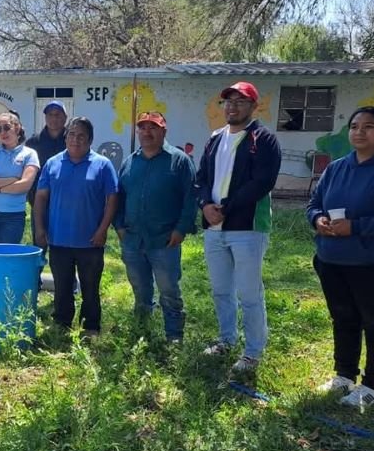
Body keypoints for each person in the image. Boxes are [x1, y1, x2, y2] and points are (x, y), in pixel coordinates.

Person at [307, 106, 374, 408]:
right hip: (332, 261)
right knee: (343, 320)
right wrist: (317, 221)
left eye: (369, 126)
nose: (359, 132)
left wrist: (357, 227)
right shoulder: (337, 167)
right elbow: (314, 203)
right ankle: (344, 375)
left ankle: (373, 387)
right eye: (354, 126)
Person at [195, 81, 282, 372]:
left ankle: (253, 353)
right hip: (214, 228)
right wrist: (206, 205)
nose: (232, 106)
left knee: (248, 293)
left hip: (247, 228)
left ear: (253, 106)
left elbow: (262, 182)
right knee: (221, 290)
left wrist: (226, 208)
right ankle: (226, 340)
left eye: (240, 101)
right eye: (228, 101)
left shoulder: (263, 139)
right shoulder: (215, 138)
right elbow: (202, 178)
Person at [115, 112, 196, 343]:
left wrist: (181, 229)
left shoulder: (179, 161)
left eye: (153, 128)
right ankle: (142, 331)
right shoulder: (130, 161)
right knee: (140, 288)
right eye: (142, 128)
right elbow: (118, 197)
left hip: (164, 240)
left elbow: (190, 198)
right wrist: (119, 226)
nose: (147, 132)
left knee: (169, 290)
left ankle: (174, 336)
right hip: (132, 239)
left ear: (164, 132)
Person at [34, 117, 118, 335]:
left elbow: (112, 200)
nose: (75, 139)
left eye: (81, 135)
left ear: (90, 139)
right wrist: (40, 229)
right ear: (65, 137)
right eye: (71, 134)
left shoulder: (102, 164)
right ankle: (62, 323)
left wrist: (102, 230)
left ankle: (90, 326)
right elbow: (41, 198)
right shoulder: (53, 163)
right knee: (62, 287)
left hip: (90, 241)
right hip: (59, 238)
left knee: (90, 289)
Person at [0, 111, 40, 244]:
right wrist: (11, 180)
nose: (3, 132)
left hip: (14, 215)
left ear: (17, 128)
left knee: (6, 256)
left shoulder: (30, 154)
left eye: (6, 127)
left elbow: (24, 186)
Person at [26, 100, 68, 242]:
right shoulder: (33, 142)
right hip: (39, 205)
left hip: (66, 206)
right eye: (50, 114)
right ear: (45, 117)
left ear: (65, 117)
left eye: (58, 114)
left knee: (62, 248)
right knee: (39, 246)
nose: (54, 118)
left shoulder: (72, 140)